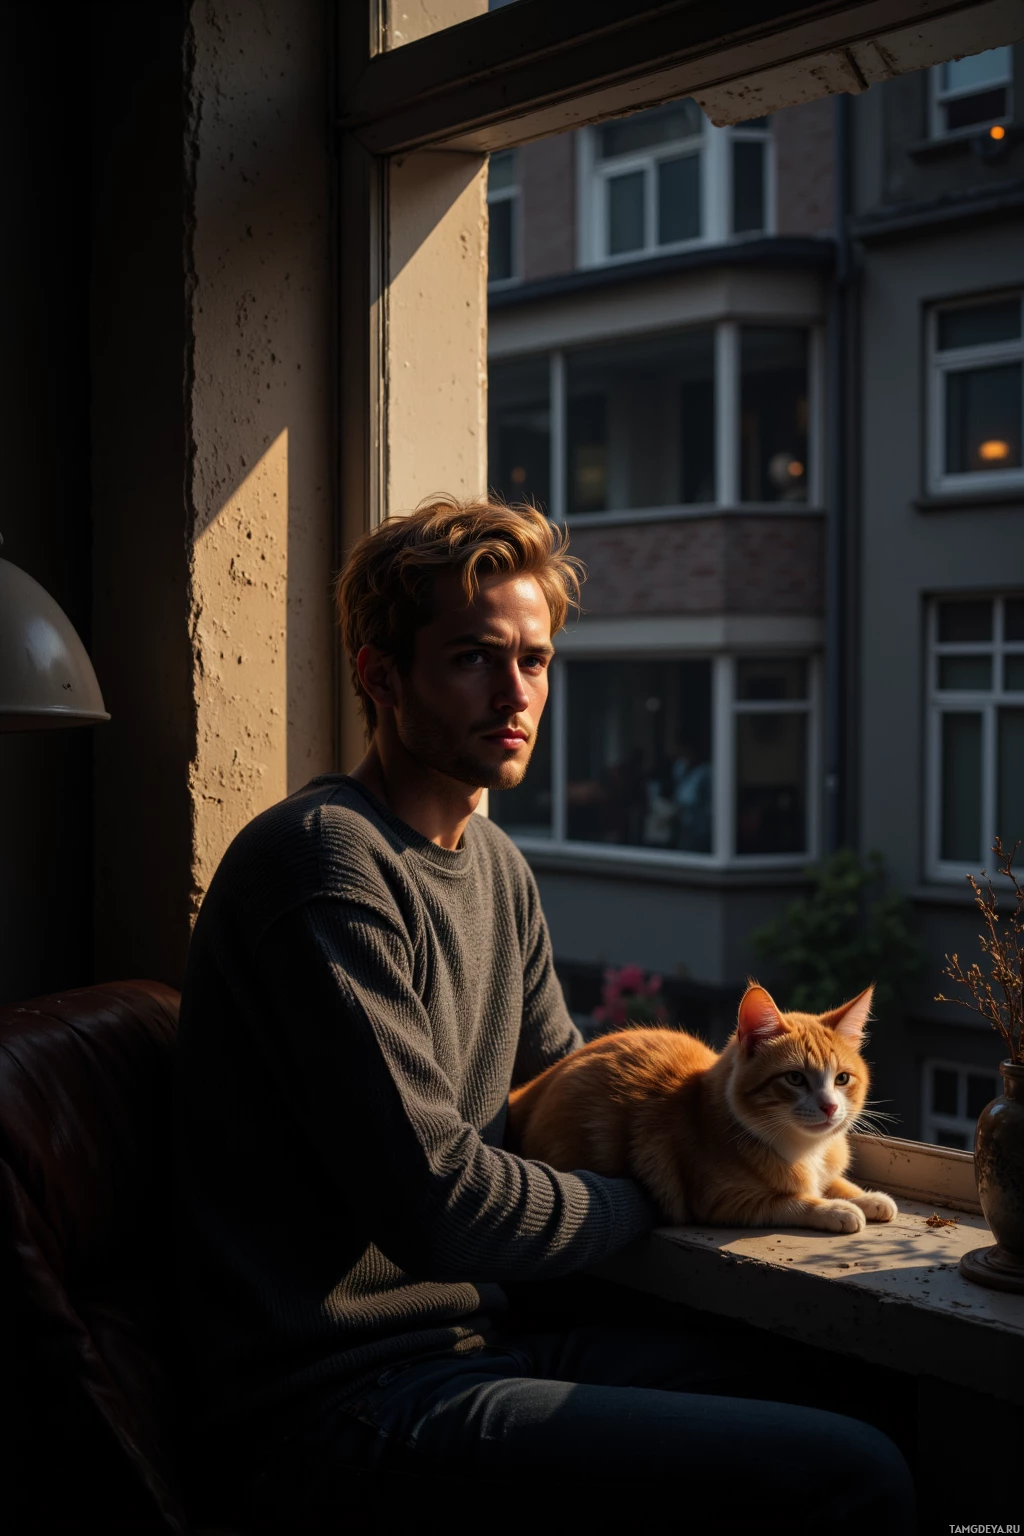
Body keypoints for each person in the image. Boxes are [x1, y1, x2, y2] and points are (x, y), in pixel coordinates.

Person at [174, 496, 915, 1534]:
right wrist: (672, 1192)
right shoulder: (322, 866)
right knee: (852, 1473)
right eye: (474, 658)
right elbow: (441, 1203)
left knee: (862, 1395)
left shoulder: (497, 868)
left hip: (480, 1338)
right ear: (380, 676)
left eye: (535, 659)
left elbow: (566, 1082)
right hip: (331, 1400)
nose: (515, 692)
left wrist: (708, 1150)